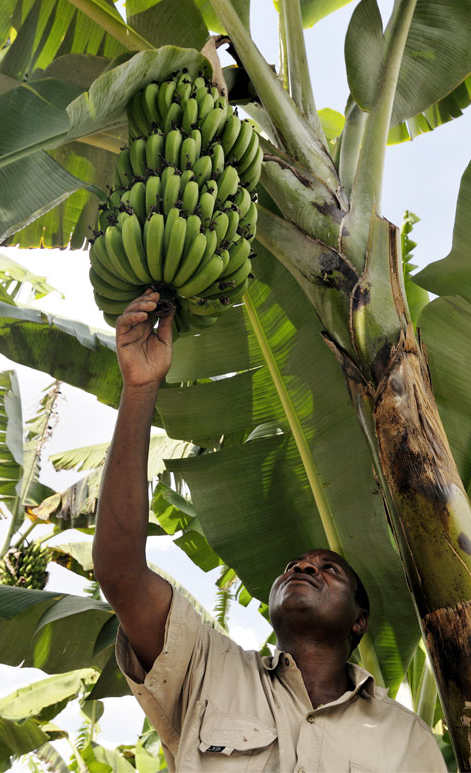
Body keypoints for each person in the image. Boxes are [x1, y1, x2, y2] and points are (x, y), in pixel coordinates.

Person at [93, 289, 447, 772]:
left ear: (358, 622)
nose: (303, 566)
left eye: (329, 570)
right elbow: (120, 573)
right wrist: (138, 388)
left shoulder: (405, 739)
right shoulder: (208, 670)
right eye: (294, 567)